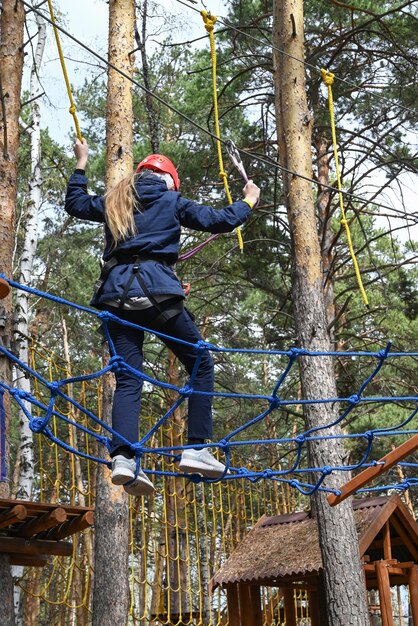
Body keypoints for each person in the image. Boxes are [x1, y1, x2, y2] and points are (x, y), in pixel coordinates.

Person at [65, 138, 260, 496]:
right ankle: (197, 447)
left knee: (128, 379)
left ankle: (123, 457)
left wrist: (82, 162)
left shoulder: (116, 200)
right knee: (200, 363)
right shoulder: (172, 200)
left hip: (116, 297)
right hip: (158, 297)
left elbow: (75, 204)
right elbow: (221, 220)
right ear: (170, 180)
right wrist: (248, 199)